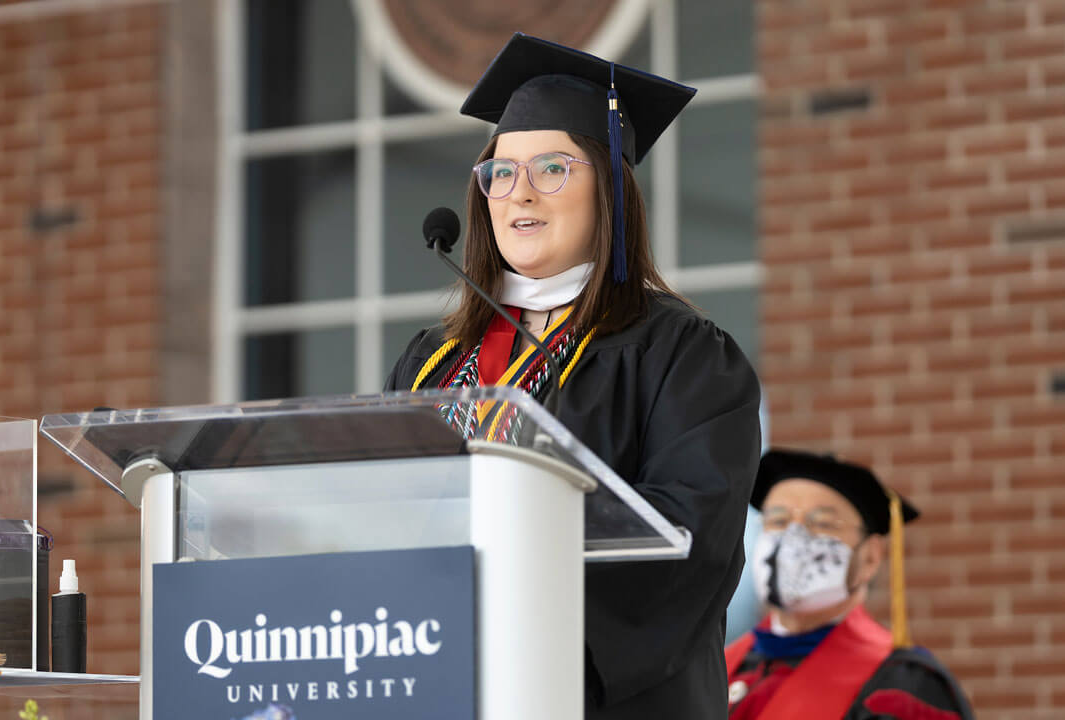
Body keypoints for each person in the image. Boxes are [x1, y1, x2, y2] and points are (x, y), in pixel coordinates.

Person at [385, 33, 761, 719]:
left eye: (552, 168)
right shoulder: (432, 361)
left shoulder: (680, 354)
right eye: (500, 172)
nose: (519, 193)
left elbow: (689, 542)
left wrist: (518, 620)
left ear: (611, 187)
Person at [725, 449, 975, 719]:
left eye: (822, 524)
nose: (793, 537)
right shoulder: (719, 667)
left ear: (870, 557)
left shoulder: (901, 686)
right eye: (778, 521)